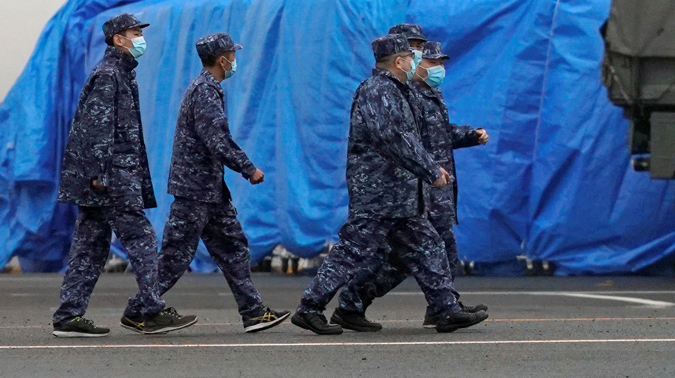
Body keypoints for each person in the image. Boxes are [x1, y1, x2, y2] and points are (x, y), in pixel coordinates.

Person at [290, 34, 486, 336]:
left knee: (429, 245)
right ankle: (310, 308)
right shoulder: (378, 91)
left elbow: (414, 138)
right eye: (411, 57)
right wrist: (430, 170)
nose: (415, 61)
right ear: (398, 61)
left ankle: (446, 309)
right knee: (352, 251)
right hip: (379, 192)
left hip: (401, 193)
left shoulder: (399, 91)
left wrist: (430, 168)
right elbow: (394, 138)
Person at [52, 13, 195, 338]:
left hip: (106, 178)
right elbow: (97, 128)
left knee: (91, 246)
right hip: (112, 179)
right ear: (118, 39)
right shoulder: (109, 75)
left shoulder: (119, 73)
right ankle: (149, 310)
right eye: (134, 33)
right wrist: (100, 174)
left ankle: (69, 315)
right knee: (141, 239)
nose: (140, 39)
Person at [156, 32, 289, 332]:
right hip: (195, 190)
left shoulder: (208, 89)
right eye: (233, 55)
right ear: (222, 59)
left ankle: (253, 311)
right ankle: (141, 307)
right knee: (175, 257)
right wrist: (248, 168)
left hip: (209, 190)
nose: (235, 61)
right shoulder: (204, 91)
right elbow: (218, 140)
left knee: (233, 249)